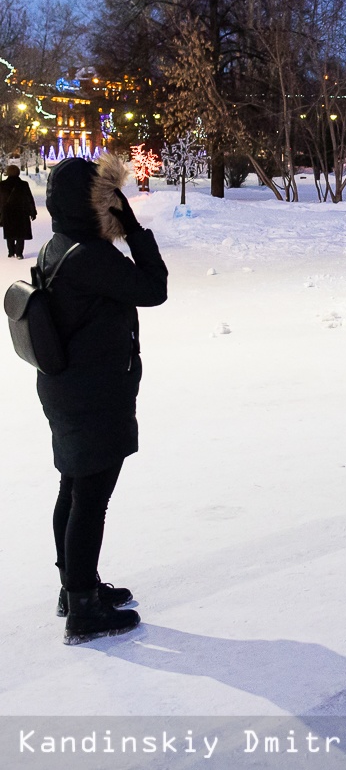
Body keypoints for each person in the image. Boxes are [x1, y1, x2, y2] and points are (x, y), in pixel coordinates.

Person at [36, 154, 168, 644]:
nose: (115, 204)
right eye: (107, 198)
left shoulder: (60, 245)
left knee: (73, 489)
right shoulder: (91, 256)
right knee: (90, 498)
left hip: (67, 386)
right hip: (92, 393)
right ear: (91, 203)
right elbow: (154, 289)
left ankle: (76, 589)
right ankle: (83, 611)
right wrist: (134, 230)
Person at [2, 163, 37, 258]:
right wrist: (32, 211)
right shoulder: (23, 185)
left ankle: (11, 252)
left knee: (9, 233)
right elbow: (29, 199)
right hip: (21, 212)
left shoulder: (2, 185)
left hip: (7, 212)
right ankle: (19, 253)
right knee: (20, 234)